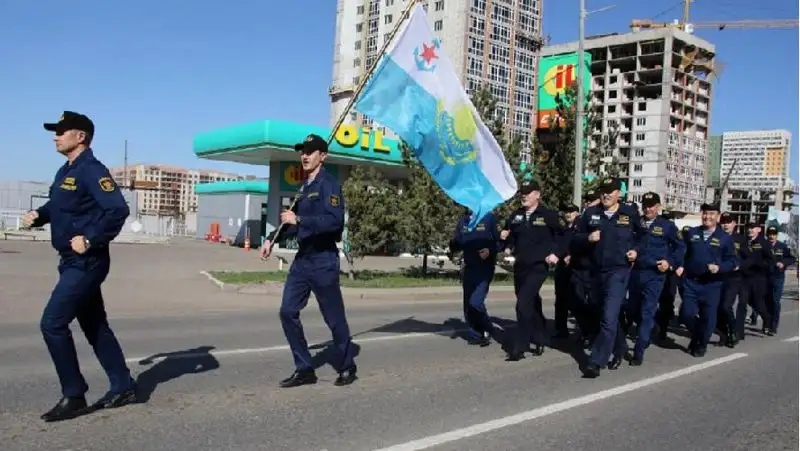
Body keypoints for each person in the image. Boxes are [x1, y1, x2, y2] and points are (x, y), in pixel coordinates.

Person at [23, 111, 137, 422]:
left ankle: (74, 394)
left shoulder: (92, 170)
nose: (55, 136)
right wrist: (40, 215)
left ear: (80, 136)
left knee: (52, 323)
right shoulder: (65, 171)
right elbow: (59, 206)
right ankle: (123, 385)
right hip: (69, 261)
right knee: (94, 325)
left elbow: (117, 210)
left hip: (87, 261)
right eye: (54, 131)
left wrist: (90, 238)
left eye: (61, 131)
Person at [260, 134, 357, 388]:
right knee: (287, 311)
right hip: (303, 261)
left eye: (311, 151)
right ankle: (305, 368)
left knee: (333, 319)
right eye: (303, 151)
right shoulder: (304, 188)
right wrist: (272, 238)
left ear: (322, 156)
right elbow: (291, 225)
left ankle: (347, 366)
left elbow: (334, 223)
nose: (305, 155)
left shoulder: (329, 185)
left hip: (323, 259)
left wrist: (300, 220)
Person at [573, 179, 644, 378]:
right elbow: (575, 239)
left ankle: (596, 361)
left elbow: (642, 236)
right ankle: (620, 347)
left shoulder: (629, 213)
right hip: (595, 272)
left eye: (610, 192)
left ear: (618, 194)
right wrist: (588, 238)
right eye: (603, 191)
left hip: (618, 271)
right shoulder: (590, 214)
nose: (606, 195)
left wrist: (635, 251)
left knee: (608, 316)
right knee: (603, 315)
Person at [500, 179, 560, 361]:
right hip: (520, 266)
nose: (524, 196)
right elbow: (510, 237)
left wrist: (556, 253)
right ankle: (541, 335)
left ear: (537, 195)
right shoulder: (515, 216)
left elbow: (563, 235)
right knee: (531, 302)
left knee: (522, 304)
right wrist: (507, 243)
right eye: (522, 192)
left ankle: (521, 344)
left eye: (528, 192)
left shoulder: (548, 215)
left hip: (538, 266)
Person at [627, 192, 684, 366]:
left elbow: (680, 247)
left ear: (658, 207)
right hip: (635, 272)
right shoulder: (635, 223)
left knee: (647, 311)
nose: (648, 208)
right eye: (645, 205)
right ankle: (651, 328)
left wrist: (670, 263)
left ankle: (639, 349)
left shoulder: (667, 226)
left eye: (651, 205)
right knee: (631, 310)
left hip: (655, 274)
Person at [679, 203, 737, 357]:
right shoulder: (692, 233)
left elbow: (732, 261)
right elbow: (682, 252)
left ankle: (701, 344)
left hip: (712, 284)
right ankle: (698, 334)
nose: (707, 217)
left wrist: (719, 267)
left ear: (717, 216)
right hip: (691, 282)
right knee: (686, 314)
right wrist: (679, 265)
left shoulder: (724, 238)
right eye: (705, 213)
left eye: (711, 213)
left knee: (708, 318)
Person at [449, 208, 502, 347]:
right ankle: (477, 333)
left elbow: (499, 242)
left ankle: (488, 328)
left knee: (476, 302)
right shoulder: (463, 221)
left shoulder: (488, 218)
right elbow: (458, 243)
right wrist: (453, 243)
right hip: (469, 267)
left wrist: (490, 250)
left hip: (484, 268)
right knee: (468, 305)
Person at [765, 226, 796, 335]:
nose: (771, 236)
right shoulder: (763, 246)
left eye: (773, 233)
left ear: (777, 235)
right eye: (769, 233)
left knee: (775, 301)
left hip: (778, 277)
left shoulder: (782, 246)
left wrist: (783, 263)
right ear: (767, 234)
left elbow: (791, 258)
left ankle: (773, 327)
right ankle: (767, 324)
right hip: (765, 277)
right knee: (766, 301)